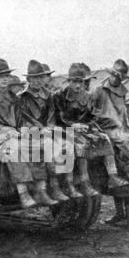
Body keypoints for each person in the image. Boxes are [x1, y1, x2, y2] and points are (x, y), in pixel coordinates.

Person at [0, 59, 58, 208]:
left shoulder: (15, 98)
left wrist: (28, 131)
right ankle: (23, 193)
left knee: (36, 144)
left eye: (6, 76)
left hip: (16, 133)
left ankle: (41, 190)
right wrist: (7, 130)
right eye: (0, 77)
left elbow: (23, 119)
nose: (4, 79)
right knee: (14, 148)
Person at [53, 63, 128, 195]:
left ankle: (112, 176)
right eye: (74, 82)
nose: (78, 86)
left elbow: (94, 115)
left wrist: (88, 126)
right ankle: (84, 182)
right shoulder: (59, 96)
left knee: (104, 138)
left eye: (81, 82)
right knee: (81, 145)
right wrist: (73, 125)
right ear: (69, 81)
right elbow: (59, 117)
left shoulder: (87, 96)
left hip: (83, 129)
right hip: (64, 130)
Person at [19, 60, 80, 202]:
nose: (38, 81)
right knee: (49, 146)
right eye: (34, 78)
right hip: (30, 132)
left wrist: (51, 127)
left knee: (68, 143)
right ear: (28, 79)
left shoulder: (49, 95)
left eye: (40, 77)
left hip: (48, 130)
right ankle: (53, 186)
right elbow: (24, 118)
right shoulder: (21, 97)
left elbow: (53, 115)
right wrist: (42, 129)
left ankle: (69, 183)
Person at [90, 59, 129, 191]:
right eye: (114, 76)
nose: (116, 79)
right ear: (110, 74)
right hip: (105, 126)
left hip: (122, 124)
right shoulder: (99, 90)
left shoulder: (122, 92)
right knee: (123, 141)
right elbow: (90, 111)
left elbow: (123, 112)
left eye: (119, 78)